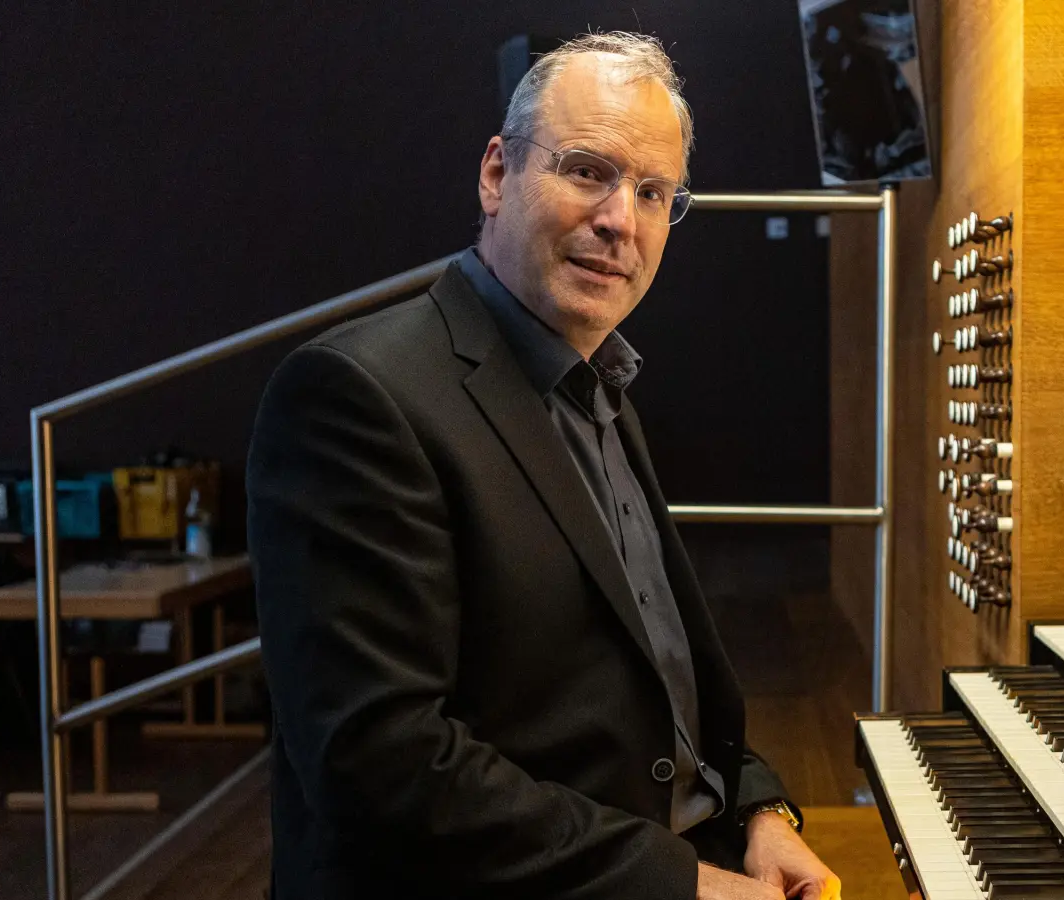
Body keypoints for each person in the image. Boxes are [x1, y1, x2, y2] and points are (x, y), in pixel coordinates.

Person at [247, 31, 842, 900]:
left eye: (652, 192)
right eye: (588, 171)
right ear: (496, 174)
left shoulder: (596, 384)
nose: (619, 220)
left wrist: (757, 812)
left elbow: (655, 685)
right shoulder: (355, 396)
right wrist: (685, 885)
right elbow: (380, 764)